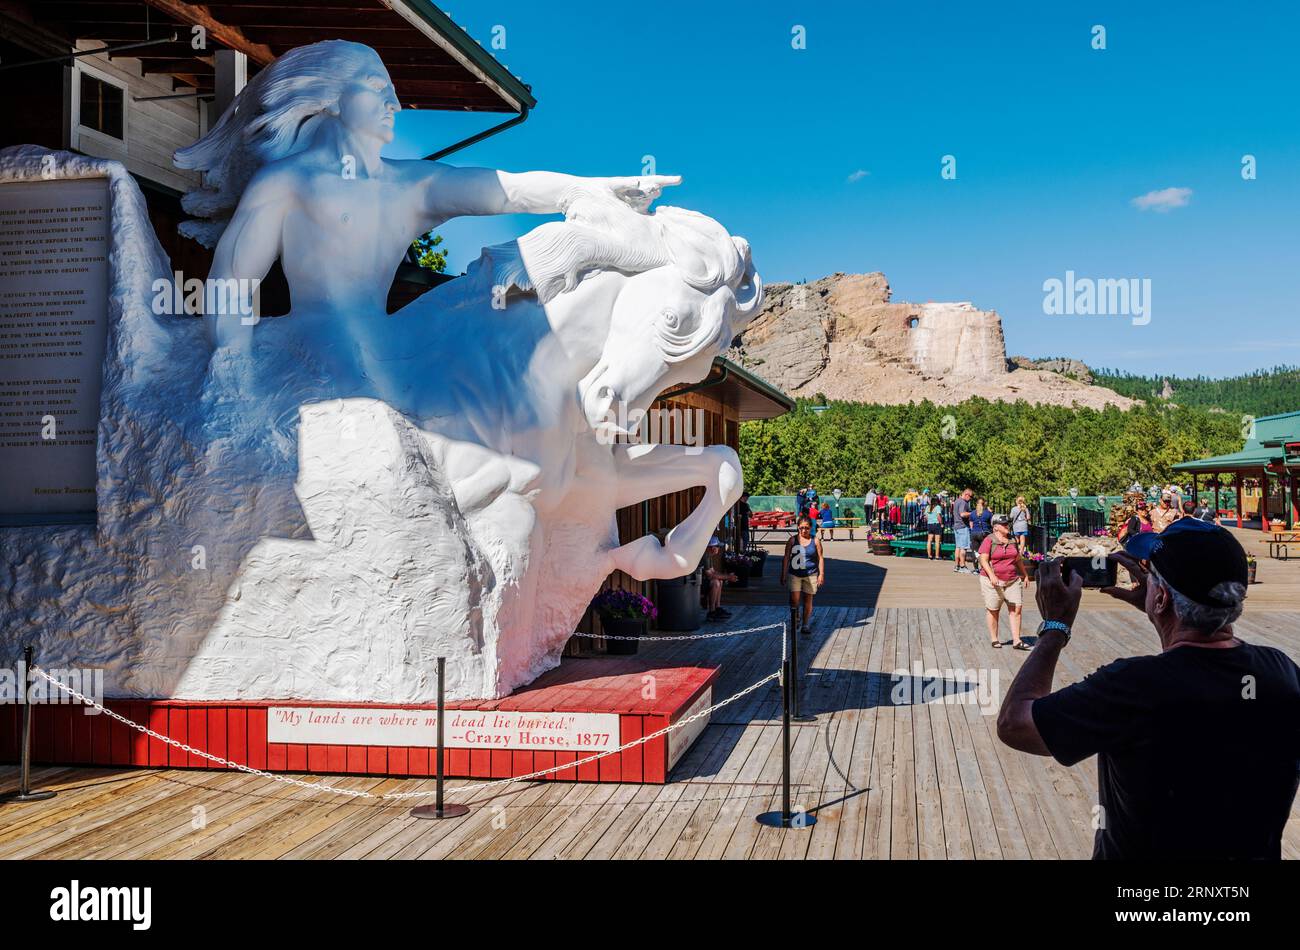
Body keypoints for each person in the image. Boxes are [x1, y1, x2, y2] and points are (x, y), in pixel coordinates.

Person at [997, 518, 1300, 860]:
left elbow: (1015, 723)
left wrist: (1055, 627)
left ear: (1163, 597)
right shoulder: (1281, 673)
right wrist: (1162, 611)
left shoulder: (1134, 686)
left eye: (1152, 576)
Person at [978, 513, 1031, 649]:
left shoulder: (1013, 539)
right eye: (1004, 524)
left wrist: (1025, 574)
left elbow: (1017, 559)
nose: (1008, 526)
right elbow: (983, 559)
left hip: (1012, 580)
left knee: (1016, 608)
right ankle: (995, 639)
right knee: (993, 609)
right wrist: (992, 576)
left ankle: (1017, 640)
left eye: (1008, 523)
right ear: (996, 527)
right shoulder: (989, 540)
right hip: (993, 582)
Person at [781, 515, 826, 636]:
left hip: (811, 574)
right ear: (798, 528)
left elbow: (821, 558)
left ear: (811, 528)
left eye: (806, 528)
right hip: (794, 573)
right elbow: (786, 558)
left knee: (808, 600)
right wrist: (783, 574)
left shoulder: (815, 541)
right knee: (794, 599)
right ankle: (796, 617)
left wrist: (821, 574)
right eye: (801, 528)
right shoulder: (792, 540)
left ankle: (806, 624)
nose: (804, 530)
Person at [701, 536, 737, 623]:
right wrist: (728, 577)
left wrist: (726, 576)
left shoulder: (708, 555)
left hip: (703, 581)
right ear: (712, 548)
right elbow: (710, 574)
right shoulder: (705, 556)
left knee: (719, 581)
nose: (719, 549)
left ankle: (717, 608)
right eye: (718, 546)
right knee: (715, 582)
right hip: (697, 583)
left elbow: (713, 572)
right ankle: (711, 611)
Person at [952, 488, 974, 574]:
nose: (970, 499)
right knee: (963, 548)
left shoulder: (957, 501)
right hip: (962, 526)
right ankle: (962, 566)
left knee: (957, 547)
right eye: (971, 497)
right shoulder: (963, 502)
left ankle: (956, 566)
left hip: (957, 526)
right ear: (966, 494)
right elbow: (962, 514)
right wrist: (973, 513)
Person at [969, 497, 993, 564]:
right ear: (984, 504)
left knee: (975, 551)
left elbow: (971, 524)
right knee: (984, 551)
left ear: (977, 503)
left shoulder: (973, 513)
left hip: (974, 533)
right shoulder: (988, 513)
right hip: (983, 533)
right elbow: (992, 523)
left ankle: (976, 568)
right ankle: (984, 566)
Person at [925, 496, 945, 560]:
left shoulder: (928, 507)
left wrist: (929, 520)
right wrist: (941, 523)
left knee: (929, 540)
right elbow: (938, 516)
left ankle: (929, 555)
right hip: (936, 524)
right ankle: (937, 556)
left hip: (930, 524)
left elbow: (926, 516)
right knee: (937, 541)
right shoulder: (938, 507)